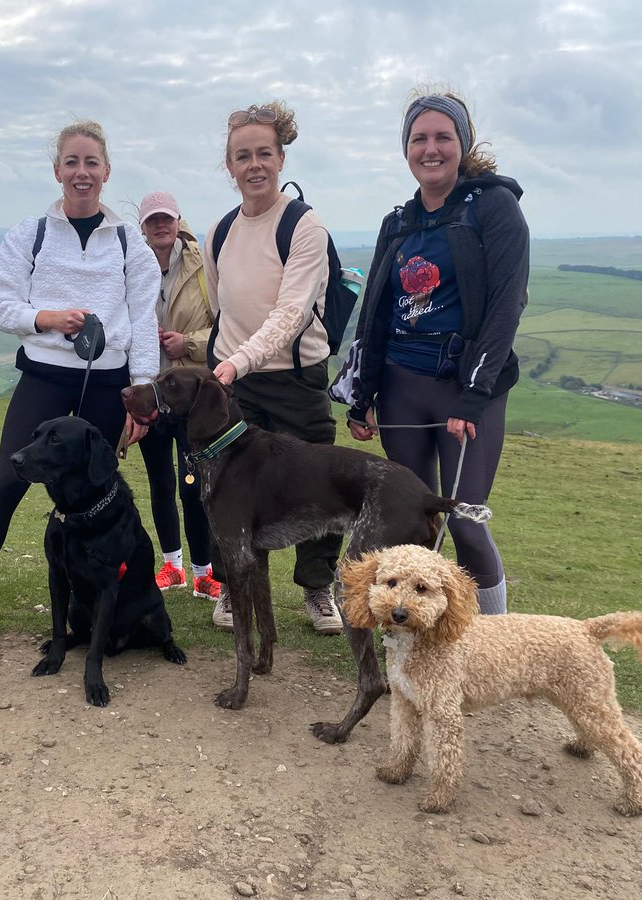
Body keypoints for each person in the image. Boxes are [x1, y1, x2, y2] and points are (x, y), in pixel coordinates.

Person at [0, 119, 161, 663]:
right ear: (56, 170)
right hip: (44, 376)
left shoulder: (131, 241)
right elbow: (1, 304)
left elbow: (144, 321)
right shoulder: (29, 234)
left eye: (91, 163)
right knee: (8, 485)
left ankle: (103, 605)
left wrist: (142, 395)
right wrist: (47, 318)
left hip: (108, 381)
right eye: (71, 163)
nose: (81, 173)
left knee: (98, 496)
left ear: (106, 172)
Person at [339, 89, 529, 615]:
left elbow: (505, 307)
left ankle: (493, 640)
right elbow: (376, 310)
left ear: (462, 145)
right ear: (406, 150)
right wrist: (363, 393)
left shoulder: (493, 207)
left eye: (443, 137)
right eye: (419, 138)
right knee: (412, 521)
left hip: (468, 393)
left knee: (466, 521)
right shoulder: (398, 223)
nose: (431, 148)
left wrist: (474, 394)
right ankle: (421, 644)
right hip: (402, 390)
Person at [204, 100, 344, 635]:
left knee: (321, 485)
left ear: (282, 158)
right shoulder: (220, 232)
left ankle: (316, 587)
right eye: (243, 156)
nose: (254, 164)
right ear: (230, 165)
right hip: (235, 381)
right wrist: (233, 363)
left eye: (264, 153)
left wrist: (238, 360)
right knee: (225, 488)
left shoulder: (304, 225)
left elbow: (291, 313)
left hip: (294, 379)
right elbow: (222, 306)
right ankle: (233, 587)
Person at [135, 191, 221, 601]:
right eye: (152, 220)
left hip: (191, 397)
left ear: (177, 219)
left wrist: (184, 343)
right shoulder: (130, 266)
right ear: (143, 227)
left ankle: (204, 572)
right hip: (151, 395)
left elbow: (223, 330)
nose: (160, 226)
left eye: (166, 218)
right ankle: (172, 567)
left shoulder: (204, 267)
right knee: (159, 482)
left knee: (193, 484)